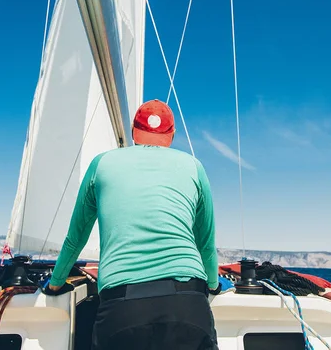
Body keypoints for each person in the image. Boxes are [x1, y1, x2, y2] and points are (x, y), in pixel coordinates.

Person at [45, 99, 222, 349]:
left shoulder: (102, 163)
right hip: (188, 305)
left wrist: (55, 284)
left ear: (133, 133)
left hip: (122, 310)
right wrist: (213, 286)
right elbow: (205, 244)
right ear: (171, 135)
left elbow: (77, 236)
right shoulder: (194, 167)